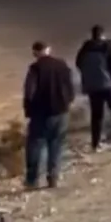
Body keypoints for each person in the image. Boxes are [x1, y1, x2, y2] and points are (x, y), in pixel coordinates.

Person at [22, 41, 75, 189]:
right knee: (56, 145)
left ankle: (32, 181)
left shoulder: (34, 68)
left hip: (40, 114)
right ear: (49, 50)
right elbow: (70, 87)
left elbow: (29, 92)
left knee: (35, 146)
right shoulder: (62, 65)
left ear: (35, 53)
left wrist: (28, 111)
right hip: (61, 111)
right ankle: (53, 178)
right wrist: (67, 103)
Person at [75, 25, 111, 152]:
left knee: (96, 115)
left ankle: (95, 144)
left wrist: (90, 75)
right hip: (108, 85)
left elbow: (78, 63)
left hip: (92, 86)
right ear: (103, 35)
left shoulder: (85, 48)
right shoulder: (107, 46)